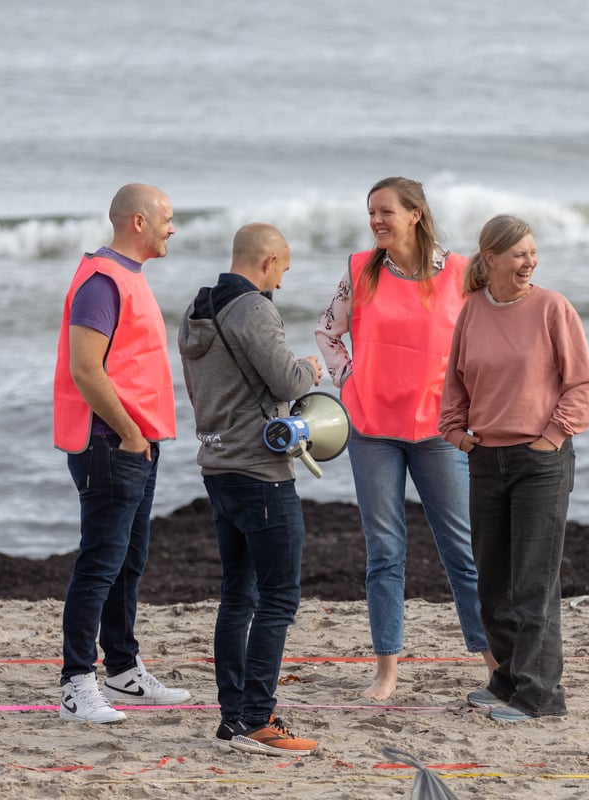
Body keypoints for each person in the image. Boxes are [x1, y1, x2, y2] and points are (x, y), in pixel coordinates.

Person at [315, 176, 495, 700]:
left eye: (385, 212)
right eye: (371, 212)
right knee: (385, 552)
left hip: (438, 432)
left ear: (415, 214)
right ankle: (387, 671)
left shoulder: (462, 273)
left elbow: (483, 342)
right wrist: (348, 378)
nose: (375, 221)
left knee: (461, 551)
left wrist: (472, 404)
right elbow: (328, 331)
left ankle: (492, 662)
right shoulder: (360, 270)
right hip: (372, 432)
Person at [439, 214, 589, 723]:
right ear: (491, 258)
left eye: (533, 252)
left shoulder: (553, 308)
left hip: (540, 462)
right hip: (485, 458)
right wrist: (457, 432)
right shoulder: (472, 311)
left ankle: (540, 696)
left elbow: (580, 385)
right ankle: (506, 679)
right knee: (493, 582)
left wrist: (552, 437)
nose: (530, 261)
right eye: (519, 254)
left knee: (533, 583)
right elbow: (456, 381)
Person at [179, 223, 323, 755]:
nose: (281, 283)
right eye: (282, 270)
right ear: (266, 262)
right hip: (261, 472)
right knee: (279, 597)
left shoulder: (197, 308)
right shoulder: (254, 309)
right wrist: (310, 367)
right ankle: (258, 720)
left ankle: (232, 718)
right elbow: (286, 381)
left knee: (237, 596)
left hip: (216, 465)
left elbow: (199, 391)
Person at [52, 183, 191, 724]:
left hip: (137, 441)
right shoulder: (102, 280)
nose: (172, 228)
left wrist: (143, 437)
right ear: (138, 221)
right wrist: (131, 433)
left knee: (129, 560)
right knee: (101, 562)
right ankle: (76, 682)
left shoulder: (130, 276)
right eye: (166, 219)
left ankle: (123, 669)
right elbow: (85, 368)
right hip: (110, 442)